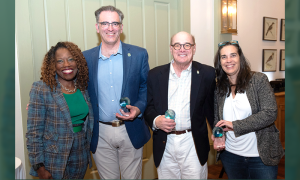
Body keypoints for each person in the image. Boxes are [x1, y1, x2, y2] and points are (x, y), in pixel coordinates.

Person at [82, 5, 150, 179]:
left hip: (131, 129)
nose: (110, 28)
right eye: (105, 23)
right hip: (100, 132)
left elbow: (145, 87)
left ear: (121, 27)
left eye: (115, 23)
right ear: (97, 27)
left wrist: (139, 108)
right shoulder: (85, 58)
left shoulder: (139, 54)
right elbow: (74, 87)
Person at [144, 31, 215, 179]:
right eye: (177, 45)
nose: (182, 49)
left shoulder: (207, 74)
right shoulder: (155, 75)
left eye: (187, 45)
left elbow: (212, 109)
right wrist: (156, 120)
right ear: (171, 49)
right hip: (165, 143)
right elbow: (148, 107)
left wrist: (219, 133)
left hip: (193, 143)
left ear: (194, 48)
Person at [212, 40, 285, 179]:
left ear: (240, 58)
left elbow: (270, 113)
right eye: (224, 57)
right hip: (231, 155)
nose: (229, 60)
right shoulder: (219, 87)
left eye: (233, 55)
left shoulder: (258, 80)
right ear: (219, 62)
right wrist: (218, 135)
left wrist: (235, 125)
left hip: (260, 156)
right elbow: (218, 119)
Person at [26, 41, 94, 179]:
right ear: (53, 65)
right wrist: (39, 167)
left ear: (78, 62)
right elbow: (34, 132)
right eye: (60, 61)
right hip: (53, 156)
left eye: (71, 59)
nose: (66, 65)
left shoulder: (83, 87)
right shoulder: (42, 88)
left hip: (80, 151)